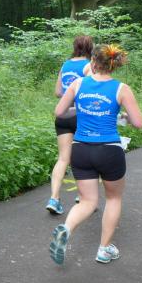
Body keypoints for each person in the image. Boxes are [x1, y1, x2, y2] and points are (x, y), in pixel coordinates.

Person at [49, 44, 142, 265]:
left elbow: (59, 112)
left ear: (93, 62)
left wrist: (81, 110)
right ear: (113, 64)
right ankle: (104, 249)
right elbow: (139, 122)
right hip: (109, 150)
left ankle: (66, 228)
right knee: (113, 198)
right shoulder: (121, 89)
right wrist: (124, 118)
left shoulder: (78, 84)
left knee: (87, 201)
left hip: (81, 149)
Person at [46, 35, 93, 214]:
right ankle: (83, 196)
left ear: (75, 47)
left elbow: (58, 92)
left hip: (63, 114)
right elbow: (90, 91)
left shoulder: (65, 65)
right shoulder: (89, 66)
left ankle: (54, 198)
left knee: (63, 158)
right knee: (85, 157)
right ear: (90, 48)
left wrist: (68, 94)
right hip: (81, 115)